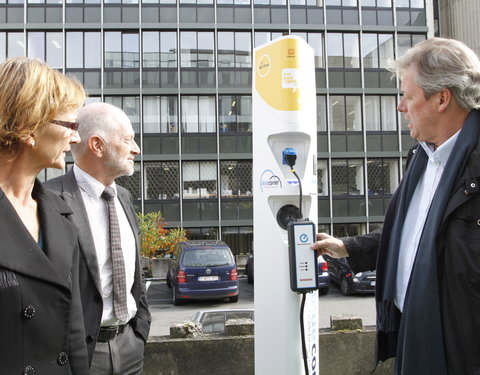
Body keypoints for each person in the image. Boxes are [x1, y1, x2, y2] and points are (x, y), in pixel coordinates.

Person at [311, 37, 480, 375]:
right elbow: (412, 237)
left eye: (407, 96)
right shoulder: (422, 159)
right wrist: (347, 247)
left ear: (442, 98)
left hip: (459, 355)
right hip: (412, 337)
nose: (401, 107)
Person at [45, 102, 151, 375]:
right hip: (79, 356)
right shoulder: (47, 200)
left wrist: (139, 330)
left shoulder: (124, 198)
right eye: (128, 140)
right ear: (97, 145)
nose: (136, 149)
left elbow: (135, 273)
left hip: (130, 345)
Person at [0, 57, 89, 374]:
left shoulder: (61, 214)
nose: (76, 138)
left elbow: (73, 335)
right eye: (70, 126)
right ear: (29, 127)